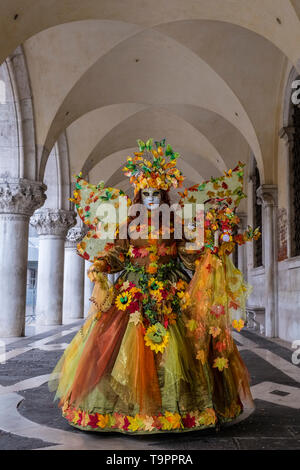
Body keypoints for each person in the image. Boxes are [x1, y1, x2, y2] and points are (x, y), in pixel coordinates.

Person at [49, 138, 259, 434]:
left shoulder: (175, 221)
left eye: (155, 193)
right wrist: (102, 265)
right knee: (112, 344)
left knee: (183, 345)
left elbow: (187, 254)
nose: (150, 198)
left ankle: (184, 411)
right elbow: (118, 254)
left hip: (171, 287)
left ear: (163, 193)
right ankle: (118, 412)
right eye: (145, 193)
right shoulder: (128, 223)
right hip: (131, 292)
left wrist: (206, 248)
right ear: (138, 192)